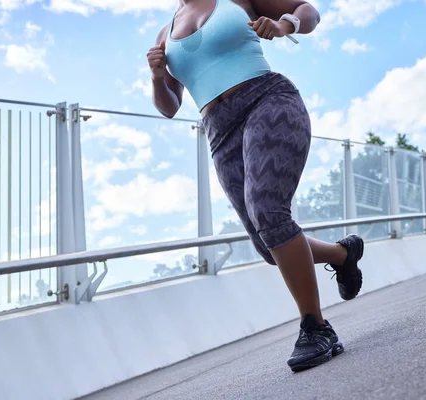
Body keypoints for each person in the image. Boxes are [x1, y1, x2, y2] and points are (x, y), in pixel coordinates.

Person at [147, 0, 364, 372]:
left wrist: (283, 26)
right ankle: (343, 256)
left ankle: (316, 327)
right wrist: (156, 77)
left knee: (268, 211)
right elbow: (169, 107)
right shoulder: (165, 34)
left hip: (267, 99)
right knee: (268, 244)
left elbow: (309, 12)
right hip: (218, 129)